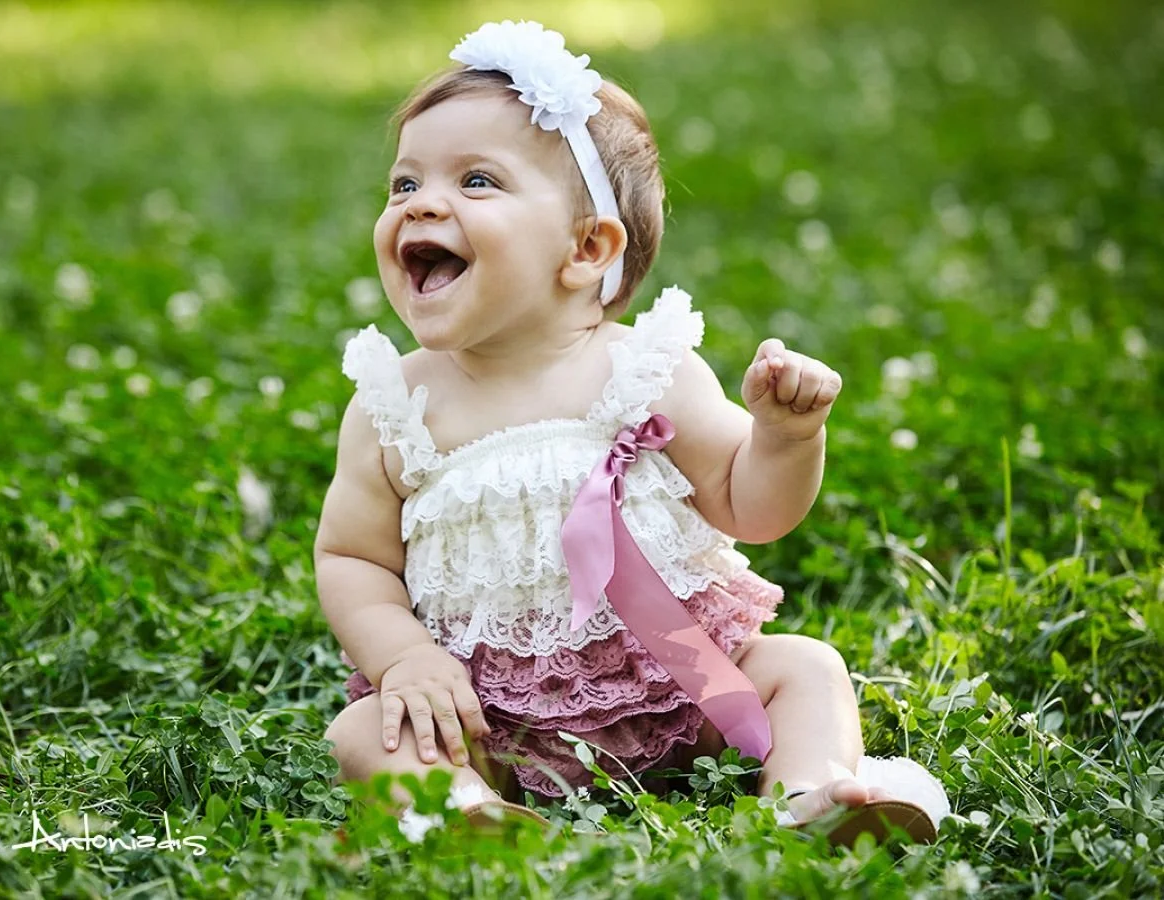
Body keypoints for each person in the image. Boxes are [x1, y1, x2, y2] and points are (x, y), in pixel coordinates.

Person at [316, 20, 949, 844]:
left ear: (587, 248)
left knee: (805, 666)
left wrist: (787, 440)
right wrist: (404, 659)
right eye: (404, 186)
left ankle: (811, 796)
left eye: (476, 181)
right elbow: (353, 557)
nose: (422, 204)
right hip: (489, 712)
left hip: (684, 683)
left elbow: (748, 506)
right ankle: (465, 811)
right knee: (363, 734)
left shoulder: (647, 369)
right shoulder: (392, 405)